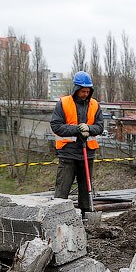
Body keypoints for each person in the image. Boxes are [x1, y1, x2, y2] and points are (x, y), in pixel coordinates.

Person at [50, 71, 104, 215]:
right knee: (63, 187)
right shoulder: (63, 103)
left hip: (87, 154)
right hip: (68, 154)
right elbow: (56, 126)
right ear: (76, 89)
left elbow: (100, 126)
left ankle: (85, 214)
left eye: (88, 91)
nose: (85, 94)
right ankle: (57, 214)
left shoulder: (95, 105)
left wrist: (89, 129)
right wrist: (76, 129)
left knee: (86, 189)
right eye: (83, 91)